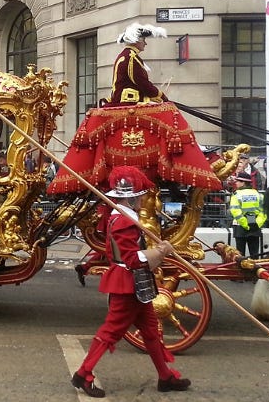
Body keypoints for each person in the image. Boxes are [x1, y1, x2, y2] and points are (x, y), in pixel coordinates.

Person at [71, 166, 190, 397]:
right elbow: (133, 259)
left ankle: (165, 376)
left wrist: (158, 251)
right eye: (141, 195)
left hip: (138, 283)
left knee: (151, 331)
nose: (144, 198)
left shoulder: (124, 217)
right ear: (133, 197)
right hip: (128, 282)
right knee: (111, 331)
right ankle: (83, 374)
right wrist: (160, 252)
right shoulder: (124, 221)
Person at [108, 23, 168, 105]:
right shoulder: (131, 57)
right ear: (137, 40)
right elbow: (142, 82)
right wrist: (160, 95)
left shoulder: (126, 55)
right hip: (129, 102)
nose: (145, 43)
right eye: (143, 40)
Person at [229, 172, 267, 258]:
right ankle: (255, 270)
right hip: (255, 225)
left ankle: (242, 271)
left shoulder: (236, 195)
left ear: (243, 183)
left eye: (238, 181)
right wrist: (257, 223)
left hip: (240, 227)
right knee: (254, 254)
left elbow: (235, 211)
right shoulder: (258, 195)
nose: (236, 183)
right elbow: (264, 211)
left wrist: (245, 224)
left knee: (240, 254)